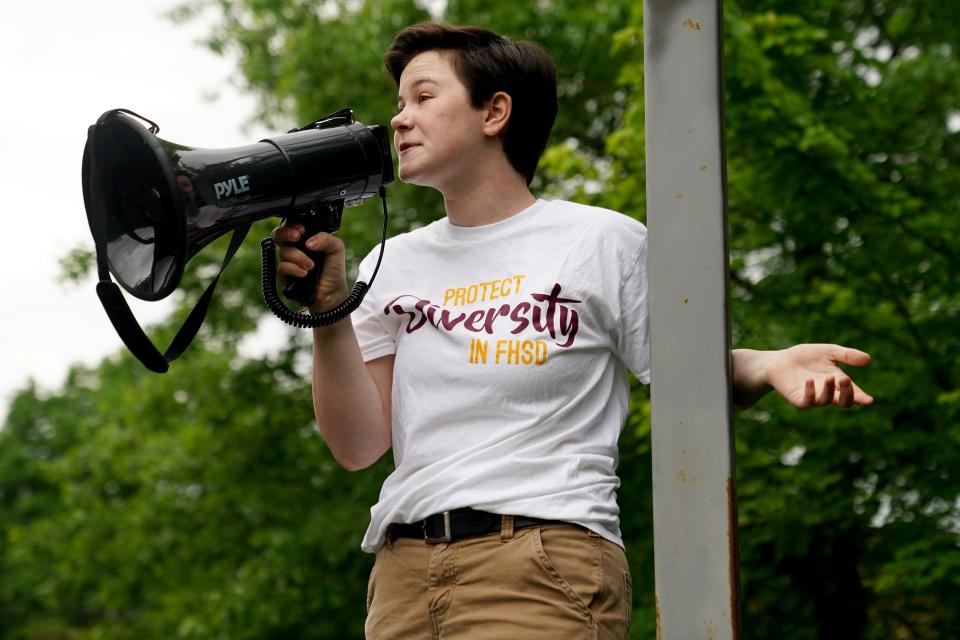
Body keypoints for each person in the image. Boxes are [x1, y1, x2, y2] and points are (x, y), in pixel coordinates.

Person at [272, 22, 873, 640]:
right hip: (402, 576)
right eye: (399, 103)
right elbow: (358, 446)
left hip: (538, 562)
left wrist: (770, 365)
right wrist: (330, 312)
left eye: (423, 97)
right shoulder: (386, 264)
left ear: (495, 112)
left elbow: (687, 372)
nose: (399, 119)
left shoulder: (599, 242)